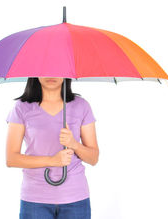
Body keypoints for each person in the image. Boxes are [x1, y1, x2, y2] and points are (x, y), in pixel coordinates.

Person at [5, 77, 99, 219]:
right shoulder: (21, 107)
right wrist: (52, 161)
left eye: (56, 69)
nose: (51, 75)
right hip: (34, 199)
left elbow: (93, 158)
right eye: (45, 69)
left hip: (75, 198)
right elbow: (11, 159)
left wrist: (74, 144)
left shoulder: (81, 106)